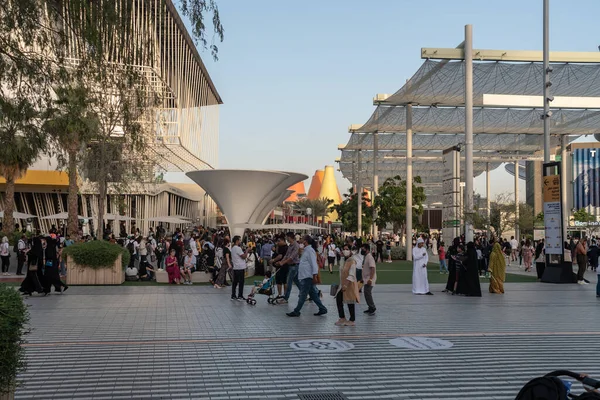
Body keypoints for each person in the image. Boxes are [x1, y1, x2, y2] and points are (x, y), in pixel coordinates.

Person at [286, 235, 327, 317]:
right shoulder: (305, 250)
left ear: (305, 241)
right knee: (313, 294)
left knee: (303, 294)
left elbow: (313, 264)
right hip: (305, 276)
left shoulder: (310, 251)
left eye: (302, 239)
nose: (300, 241)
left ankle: (296, 311)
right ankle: (322, 308)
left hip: (307, 276)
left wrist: (314, 275)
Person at [332, 244, 359, 326]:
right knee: (339, 300)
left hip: (349, 285)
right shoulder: (344, 260)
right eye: (343, 249)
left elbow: (351, 274)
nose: (345, 251)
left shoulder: (352, 261)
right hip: (342, 284)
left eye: (347, 249)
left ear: (351, 250)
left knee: (350, 302)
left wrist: (346, 285)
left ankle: (352, 319)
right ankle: (342, 318)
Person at [281, 232, 300, 303]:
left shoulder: (296, 245)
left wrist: (283, 262)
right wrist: (281, 261)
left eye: (287, 237)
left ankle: (286, 298)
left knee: (289, 282)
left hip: (294, 266)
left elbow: (292, 257)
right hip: (291, 266)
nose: (286, 239)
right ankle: (305, 293)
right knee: (297, 281)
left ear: (289, 237)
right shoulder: (290, 246)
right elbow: (287, 255)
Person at [230, 235, 248, 301]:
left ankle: (233, 295)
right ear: (237, 241)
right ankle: (240, 295)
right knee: (241, 282)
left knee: (235, 282)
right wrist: (247, 251)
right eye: (240, 240)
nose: (240, 241)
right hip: (240, 267)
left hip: (236, 267)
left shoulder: (233, 248)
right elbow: (244, 256)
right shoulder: (238, 248)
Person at [361, 243, 377, 315]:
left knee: (367, 293)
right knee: (366, 293)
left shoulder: (370, 257)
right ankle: (370, 307)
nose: (362, 250)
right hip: (366, 278)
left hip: (369, 279)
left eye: (363, 249)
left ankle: (372, 307)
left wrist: (370, 279)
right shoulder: (366, 256)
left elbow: (372, 268)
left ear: (367, 249)